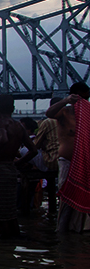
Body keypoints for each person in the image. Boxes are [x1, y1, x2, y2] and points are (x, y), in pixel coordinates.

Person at [0, 94, 37, 238]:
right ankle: (14, 243)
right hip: (11, 170)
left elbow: (3, 139)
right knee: (10, 212)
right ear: (13, 108)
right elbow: (33, 151)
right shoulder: (19, 126)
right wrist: (18, 163)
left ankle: (4, 247)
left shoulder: (1, 122)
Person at [46, 82, 90, 232]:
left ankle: (80, 231)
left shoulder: (88, 115)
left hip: (85, 163)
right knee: (66, 197)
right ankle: (63, 231)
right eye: (82, 99)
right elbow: (49, 113)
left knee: (85, 197)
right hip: (67, 161)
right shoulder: (64, 112)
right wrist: (65, 101)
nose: (85, 102)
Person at [34, 97, 61, 218]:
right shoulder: (75, 120)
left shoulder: (48, 122)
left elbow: (35, 145)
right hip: (72, 161)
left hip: (51, 162)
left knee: (25, 151)